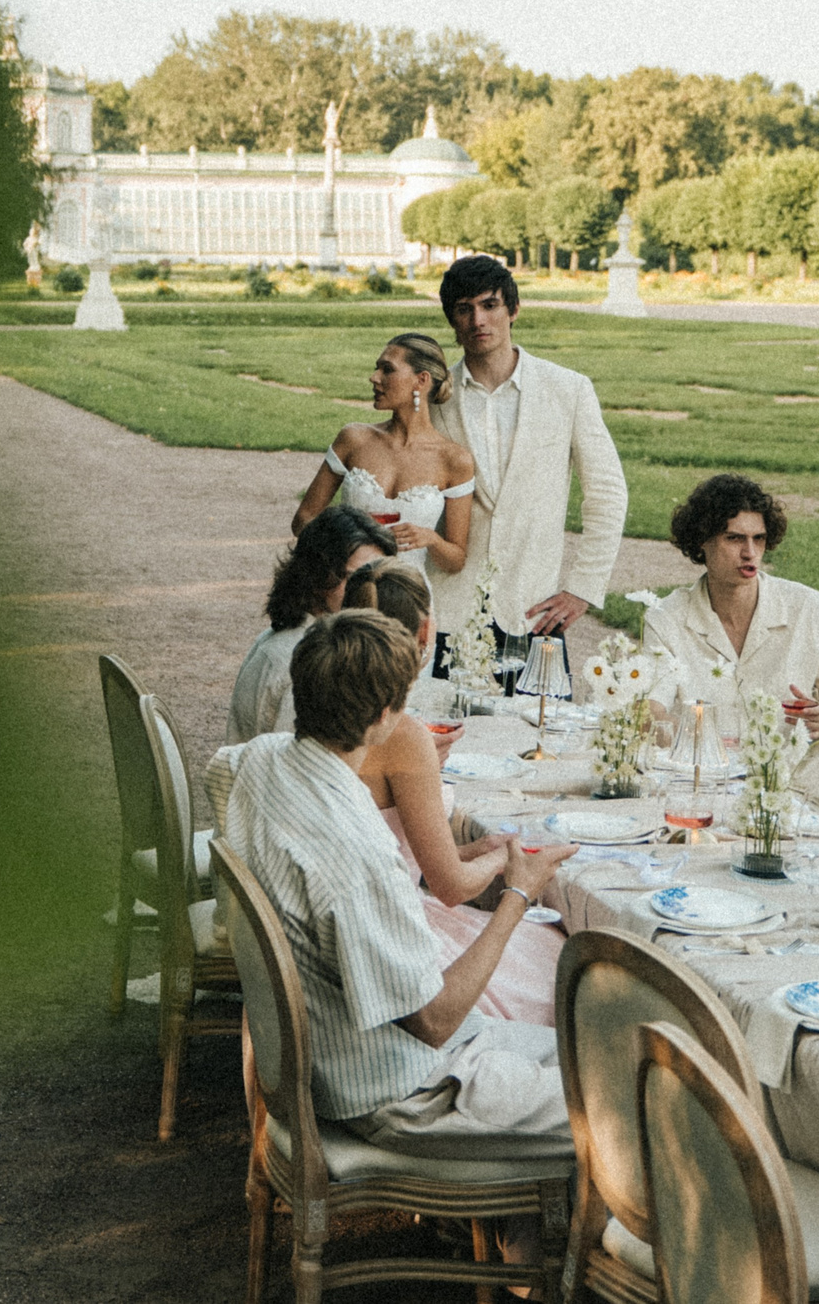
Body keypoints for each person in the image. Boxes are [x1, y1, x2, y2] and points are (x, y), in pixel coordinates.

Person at [225, 608, 577, 1198]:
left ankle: (537, 1239)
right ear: (385, 717)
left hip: (332, 1058)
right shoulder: (357, 854)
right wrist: (518, 894)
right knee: (645, 1100)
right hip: (398, 1094)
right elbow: (435, 1022)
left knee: (596, 1043)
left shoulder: (252, 762)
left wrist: (483, 858)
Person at [346, 560, 562, 1024]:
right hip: (403, 941)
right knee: (560, 965)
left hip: (378, 911)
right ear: (427, 633)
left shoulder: (348, 714)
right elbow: (449, 888)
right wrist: (517, 875)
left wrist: (474, 849)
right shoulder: (401, 735)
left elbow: (389, 850)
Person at [429, 255, 627, 639]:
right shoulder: (435, 397)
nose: (478, 321)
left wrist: (582, 589)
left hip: (532, 609)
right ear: (452, 319)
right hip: (446, 611)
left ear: (514, 309)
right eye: (464, 309)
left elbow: (607, 493)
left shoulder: (568, 389)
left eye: (490, 305)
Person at [641, 473, 819, 741]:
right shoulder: (666, 618)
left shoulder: (813, 609)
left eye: (758, 538)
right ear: (702, 540)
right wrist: (705, 744)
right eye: (734, 538)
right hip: (703, 775)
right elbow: (650, 714)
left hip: (791, 777)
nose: (750, 552)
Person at [291, 334, 477, 581]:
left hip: (409, 597)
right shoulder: (353, 439)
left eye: (387, 370)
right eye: (376, 368)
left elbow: (455, 561)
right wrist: (342, 538)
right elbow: (303, 520)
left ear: (421, 380)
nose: (374, 377)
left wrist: (430, 539)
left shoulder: (454, 460)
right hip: (344, 588)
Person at [227, 508, 394, 741]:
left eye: (377, 578)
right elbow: (296, 765)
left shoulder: (289, 637)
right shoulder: (305, 658)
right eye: (355, 577)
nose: (369, 590)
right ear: (317, 573)